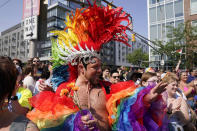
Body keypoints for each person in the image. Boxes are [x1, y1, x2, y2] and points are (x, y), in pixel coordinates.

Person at [27, 3, 168, 131]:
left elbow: (128, 111)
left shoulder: (108, 88)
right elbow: (49, 122)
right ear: (81, 68)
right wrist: (76, 124)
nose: (100, 71)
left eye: (100, 66)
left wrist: (148, 97)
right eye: (95, 67)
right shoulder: (65, 91)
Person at [0, 56, 39, 131]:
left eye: (17, 74)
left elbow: (22, 112)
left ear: (21, 76)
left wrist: (13, 95)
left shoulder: (26, 92)